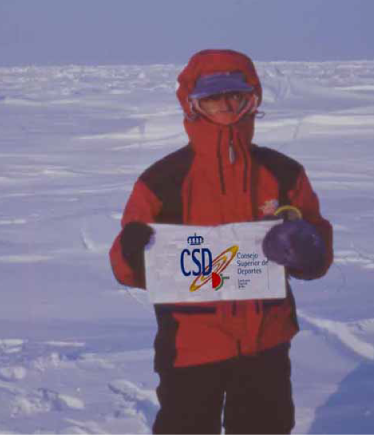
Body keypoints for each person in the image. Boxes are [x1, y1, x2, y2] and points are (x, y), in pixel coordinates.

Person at [109, 49, 333, 435]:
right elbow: (126, 270)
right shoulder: (161, 180)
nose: (226, 106)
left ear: (253, 99)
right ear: (193, 104)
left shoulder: (283, 173)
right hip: (189, 346)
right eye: (213, 97)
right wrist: (131, 251)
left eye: (236, 95)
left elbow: (318, 254)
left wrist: (306, 248)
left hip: (267, 342)